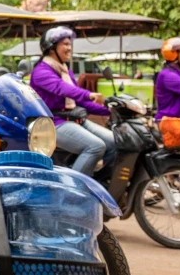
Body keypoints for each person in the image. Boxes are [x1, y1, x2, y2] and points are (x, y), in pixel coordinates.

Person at [30, 26, 116, 176]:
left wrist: (109, 110)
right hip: (52, 123)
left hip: (73, 118)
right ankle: (73, 189)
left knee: (115, 141)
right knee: (95, 146)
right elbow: (62, 88)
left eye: (70, 44)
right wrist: (89, 94)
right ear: (51, 48)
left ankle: (102, 182)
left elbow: (79, 102)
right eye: (65, 44)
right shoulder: (41, 71)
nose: (69, 48)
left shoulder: (65, 71)